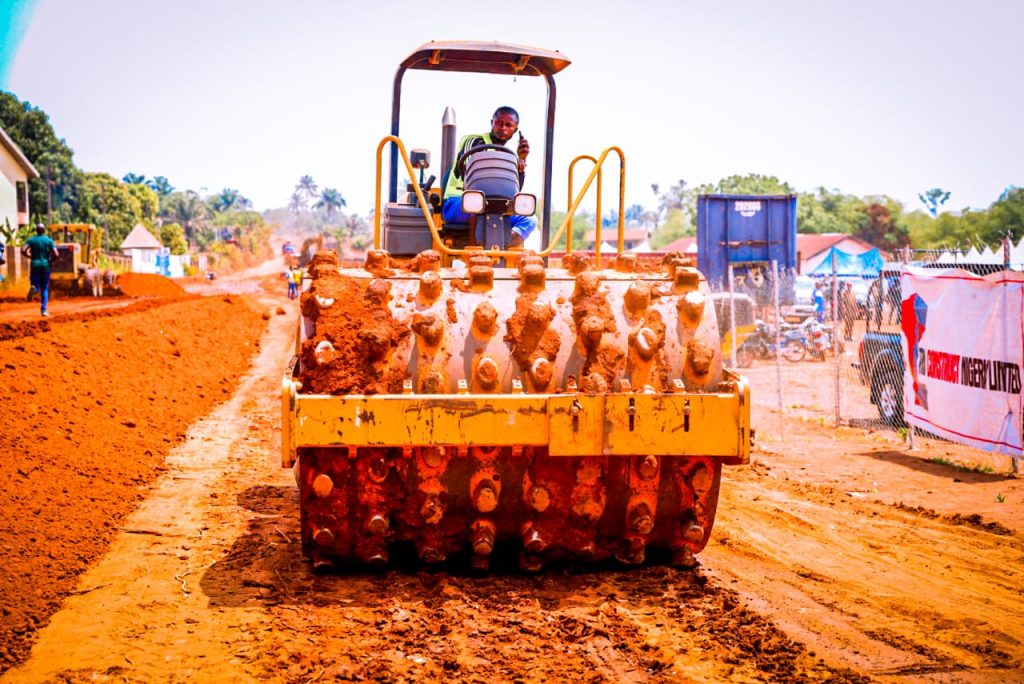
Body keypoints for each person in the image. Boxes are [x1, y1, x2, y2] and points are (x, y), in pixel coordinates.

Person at [442, 106, 536, 248]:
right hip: (459, 202)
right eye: (499, 123)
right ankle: (476, 255)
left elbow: (513, 193)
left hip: (495, 206)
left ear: (515, 130)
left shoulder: (509, 156)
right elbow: (470, 174)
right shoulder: (474, 141)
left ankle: (498, 251)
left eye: (508, 125)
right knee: (476, 202)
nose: (503, 128)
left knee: (529, 220)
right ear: (492, 122)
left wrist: (520, 163)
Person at [22, 224, 59, 317]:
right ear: (44, 231)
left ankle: (34, 290)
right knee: (45, 288)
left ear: (36, 230)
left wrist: (29, 256)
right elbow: (56, 254)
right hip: (45, 266)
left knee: (35, 285)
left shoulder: (31, 240)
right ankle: (43, 310)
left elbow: (23, 250)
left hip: (34, 265)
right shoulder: (49, 241)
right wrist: (50, 260)